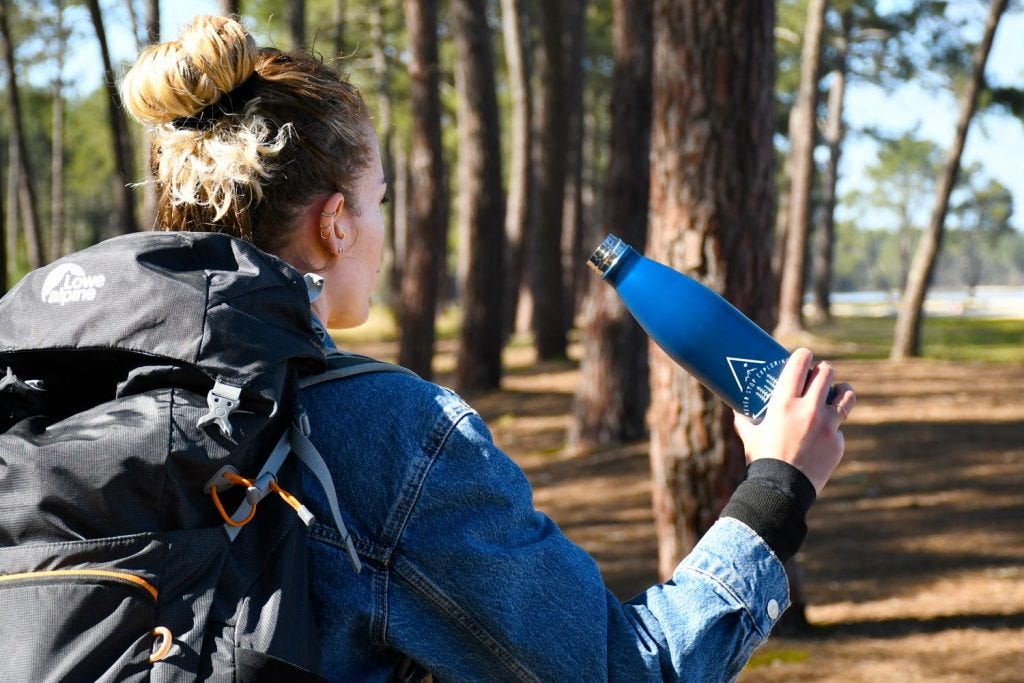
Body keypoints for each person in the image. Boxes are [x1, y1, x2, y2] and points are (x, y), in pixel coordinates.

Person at [120, 15, 856, 682]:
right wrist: (777, 488)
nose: (383, 229)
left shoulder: (65, 397)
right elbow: (624, 670)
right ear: (334, 224)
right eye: (378, 201)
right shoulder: (389, 435)